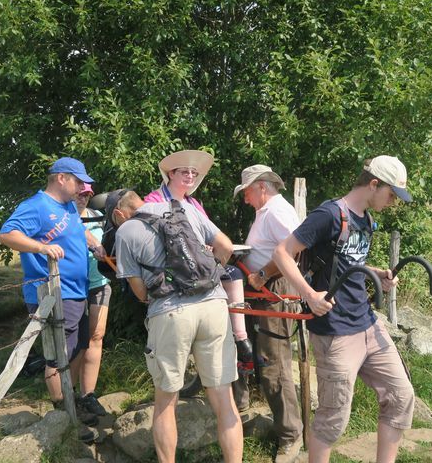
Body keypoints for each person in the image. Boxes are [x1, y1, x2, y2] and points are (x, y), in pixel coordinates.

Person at [272, 156, 416, 463]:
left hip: (367, 322)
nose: (393, 202)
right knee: (333, 416)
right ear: (373, 184)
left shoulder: (364, 218)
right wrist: (309, 294)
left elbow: (349, 262)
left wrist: (376, 274)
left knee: (401, 396)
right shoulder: (328, 214)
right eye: (391, 194)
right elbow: (282, 253)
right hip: (334, 331)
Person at [116, 197, 243, 463]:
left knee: (165, 401)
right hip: (214, 305)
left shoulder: (125, 230)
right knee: (223, 398)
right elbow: (227, 246)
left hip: (171, 313)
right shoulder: (184, 210)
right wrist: (213, 272)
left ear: (119, 213)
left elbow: (140, 293)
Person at [0, 157, 106, 440]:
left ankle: (68, 402)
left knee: (78, 346)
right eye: (78, 180)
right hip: (52, 293)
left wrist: (92, 242)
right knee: (59, 353)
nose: (82, 186)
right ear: (61, 178)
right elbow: (7, 235)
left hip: (76, 290)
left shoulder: (69, 205)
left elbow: (75, 229)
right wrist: (40, 247)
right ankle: (63, 414)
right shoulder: (35, 206)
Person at [145, 150, 253, 367]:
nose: (190, 176)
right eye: (185, 171)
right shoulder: (153, 201)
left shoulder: (194, 204)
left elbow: (209, 236)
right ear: (171, 174)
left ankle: (240, 337)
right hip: (170, 268)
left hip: (196, 265)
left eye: (194, 173)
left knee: (234, 273)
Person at [233, 165, 304, 463]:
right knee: (248, 351)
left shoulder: (276, 211)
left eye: (247, 192)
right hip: (262, 289)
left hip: (276, 290)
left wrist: (262, 273)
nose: (246, 199)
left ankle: (290, 435)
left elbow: (295, 249)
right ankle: (243, 412)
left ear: (261, 187)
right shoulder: (266, 212)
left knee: (274, 362)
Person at [75, 183, 111, 416]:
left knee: (96, 337)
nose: (84, 198)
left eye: (88, 194)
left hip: (99, 282)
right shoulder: (62, 217)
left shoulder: (98, 216)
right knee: (76, 342)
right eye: (80, 193)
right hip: (73, 285)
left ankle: (88, 394)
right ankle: (67, 397)